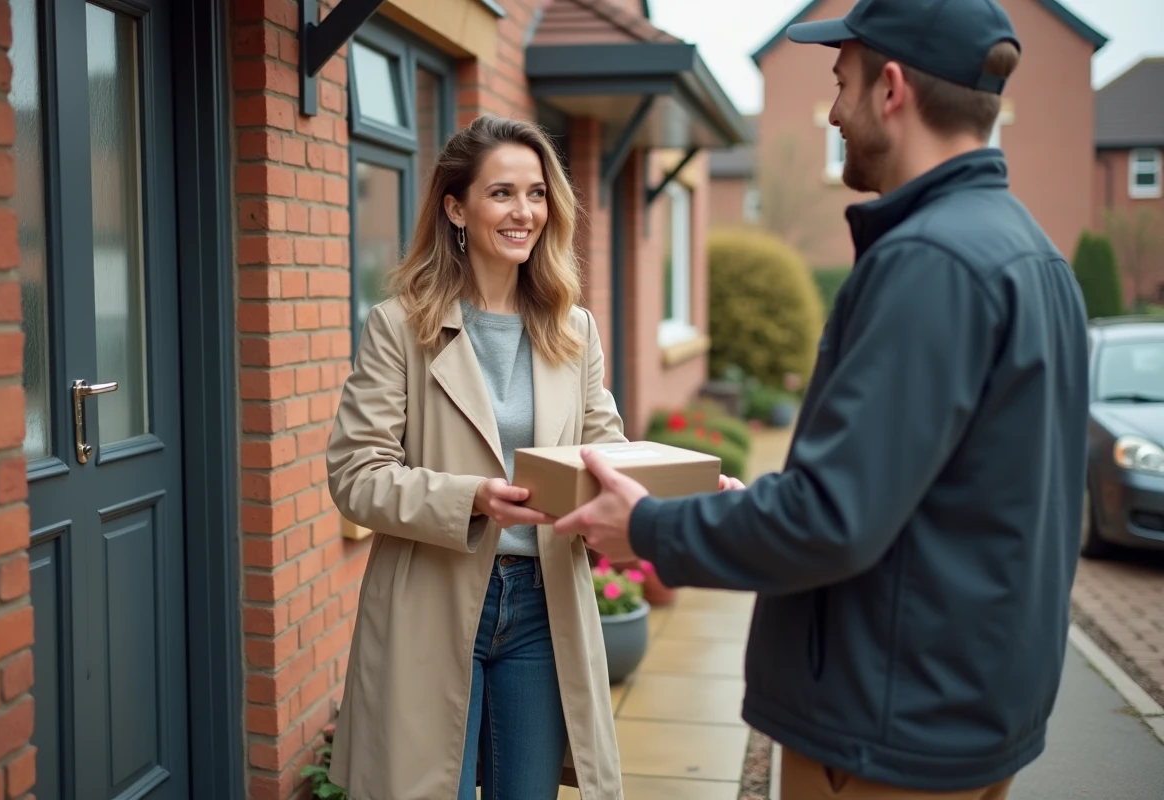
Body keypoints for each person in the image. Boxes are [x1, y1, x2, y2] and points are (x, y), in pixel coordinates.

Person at [554, 1, 1091, 798]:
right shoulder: (1033, 256)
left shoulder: (930, 262)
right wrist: (761, 509)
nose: (834, 112)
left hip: (889, 728)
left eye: (842, 84)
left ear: (893, 88)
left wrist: (648, 526)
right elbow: (938, 495)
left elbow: (832, 520)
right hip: (971, 714)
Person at [324, 115, 630, 799]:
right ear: (456, 207)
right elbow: (356, 477)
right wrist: (472, 498)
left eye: (537, 193)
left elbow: (604, 448)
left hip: (542, 606)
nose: (524, 212)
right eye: (502, 193)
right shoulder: (399, 326)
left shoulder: (572, 327)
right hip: (430, 601)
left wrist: (676, 492)